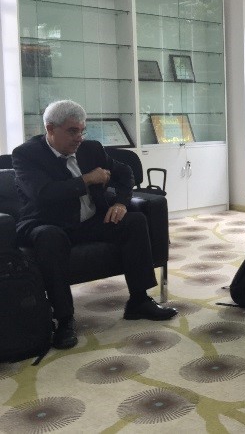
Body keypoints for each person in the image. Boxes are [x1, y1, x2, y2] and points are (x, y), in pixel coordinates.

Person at [12, 100, 177, 350]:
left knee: (134, 221)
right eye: (72, 131)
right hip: (45, 223)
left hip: (87, 221)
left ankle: (139, 301)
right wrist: (87, 179)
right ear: (50, 129)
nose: (79, 137)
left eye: (82, 130)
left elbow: (125, 173)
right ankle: (64, 319)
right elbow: (43, 194)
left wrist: (121, 203)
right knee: (50, 238)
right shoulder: (26, 155)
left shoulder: (91, 149)